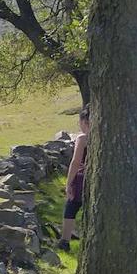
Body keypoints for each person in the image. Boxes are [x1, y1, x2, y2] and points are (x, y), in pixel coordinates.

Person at [58, 106, 90, 251]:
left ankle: (65, 240)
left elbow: (76, 162)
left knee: (71, 206)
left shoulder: (83, 138)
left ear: (85, 122)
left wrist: (69, 183)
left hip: (82, 177)